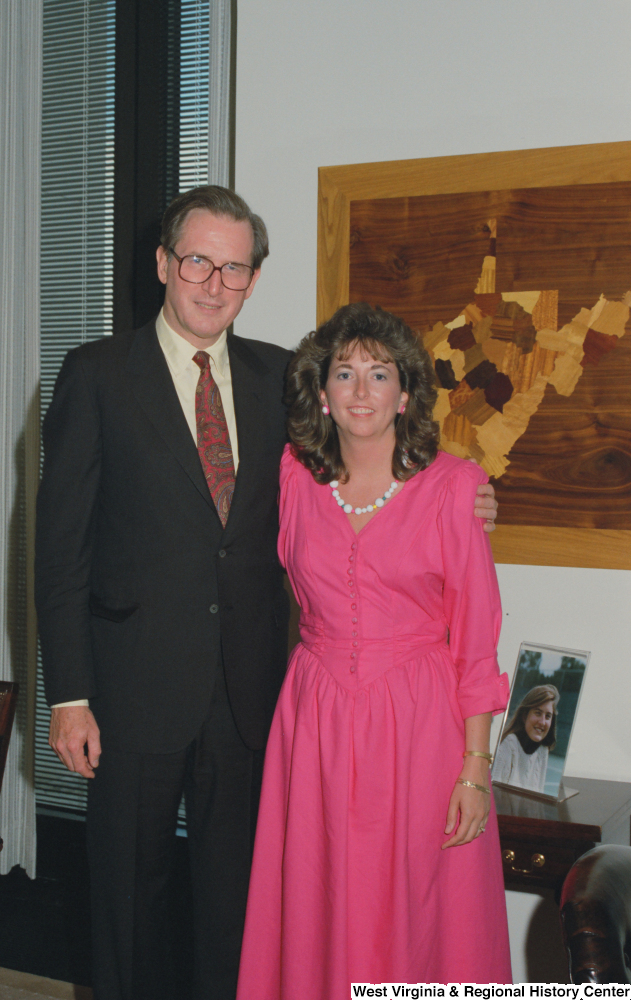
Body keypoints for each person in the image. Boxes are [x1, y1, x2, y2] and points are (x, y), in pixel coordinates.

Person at [35, 187, 499, 1000]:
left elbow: (364, 448)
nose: (214, 283)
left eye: (235, 268)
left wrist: (467, 492)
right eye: (198, 262)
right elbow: (58, 550)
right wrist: (68, 693)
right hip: (132, 690)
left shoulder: (281, 379)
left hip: (255, 699)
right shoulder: (96, 374)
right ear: (162, 264)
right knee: (125, 904)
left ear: (252, 279)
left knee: (240, 911)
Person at [236, 303, 512, 997]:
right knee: (316, 899)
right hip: (315, 722)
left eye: (379, 374)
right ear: (322, 395)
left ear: (406, 394)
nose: (361, 391)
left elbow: (475, 644)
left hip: (420, 726)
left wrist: (474, 770)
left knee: (418, 911)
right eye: (345, 373)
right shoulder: (293, 480)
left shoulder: (456, 488)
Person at [492, 684, 559, 792]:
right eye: (538, 713)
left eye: (547, 716)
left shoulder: (543, 751)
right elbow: (493, 793)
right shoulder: (510, 744)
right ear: (524, 716)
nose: (542, 722)